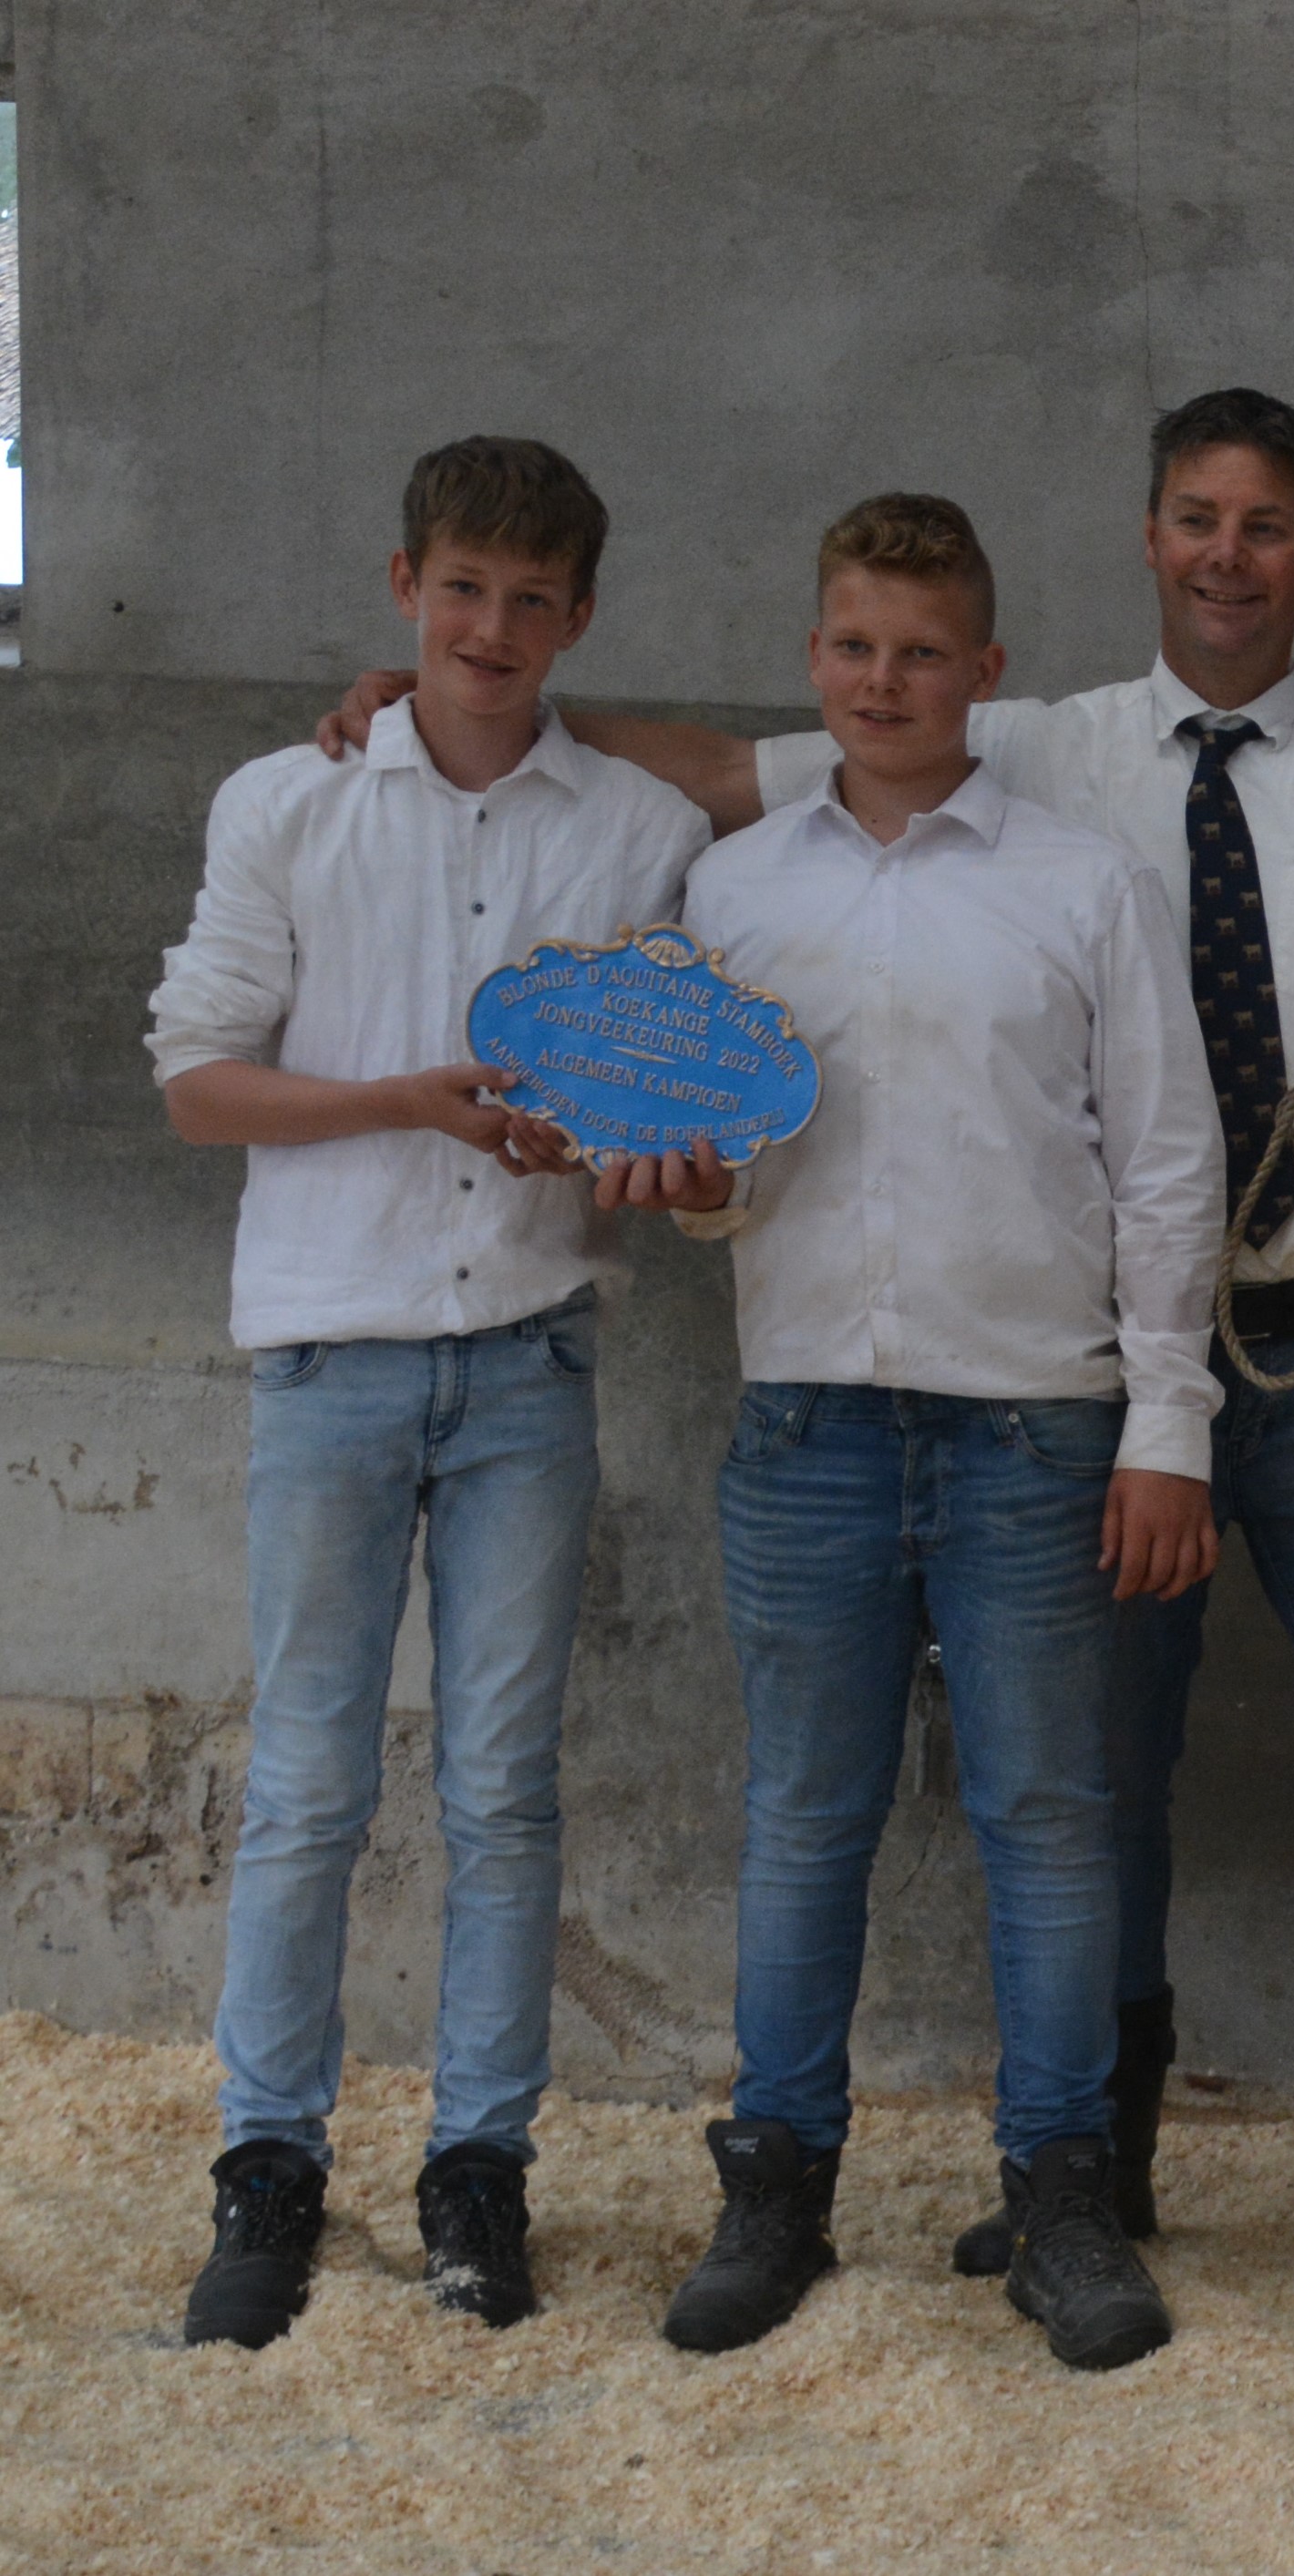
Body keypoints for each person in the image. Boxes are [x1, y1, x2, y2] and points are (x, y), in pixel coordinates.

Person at [318, 390, 1294, 2375]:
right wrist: (443, 704)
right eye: (1196, 516)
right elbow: (708, 813)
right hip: (950, 1390)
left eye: (1269, 525)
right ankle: (998, 2186)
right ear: (1150, 537)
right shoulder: (952, 781)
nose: (1229, 553)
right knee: (1045, 1803)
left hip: (1272, 1352)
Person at [633, 494, 1220, 2372]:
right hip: (804, 1419)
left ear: (986, 672)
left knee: (1050, 1822)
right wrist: (699, 1183)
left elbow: (1168, 1165)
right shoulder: (732, 895)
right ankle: (777, 2188)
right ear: (814, 662)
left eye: (921, 652)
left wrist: (1168, 1428)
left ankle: (1061, 2196)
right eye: (852, 646)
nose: (883, 680)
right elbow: (711, 1177)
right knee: (805, 1816)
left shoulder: (1083, 882)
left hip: (1037, 1433)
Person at [144, 436, 708, 2352]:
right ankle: (266, 2170)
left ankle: (480, 2174)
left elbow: (677, 1111)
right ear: (406, 586)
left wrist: (623, 1145)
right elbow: (196, 1080)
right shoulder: (283, 809)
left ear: (581, 619)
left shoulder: (638, 831)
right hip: (326, 1349)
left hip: (531, 1358)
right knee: (305, 1784)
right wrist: (399, 1097)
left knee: (501, 1789)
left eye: (531, 601)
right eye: (462, 592)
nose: (490, 630)